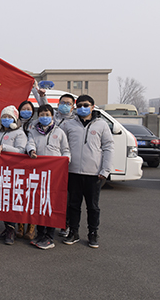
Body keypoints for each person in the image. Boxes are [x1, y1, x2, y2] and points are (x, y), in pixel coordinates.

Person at [60, 95, 114, 249]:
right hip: (73, 171)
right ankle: (74, 232)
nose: (82, 108)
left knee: (93, 206)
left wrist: (105, 169)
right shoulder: (69, 124)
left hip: (94, 173)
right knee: (73, 205)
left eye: (86, 105)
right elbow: (61, 145)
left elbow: (108, 147)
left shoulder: (101, 125)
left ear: (92, 106)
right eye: (80, 105)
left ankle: (93, 233)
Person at [26, 104, 71, 249]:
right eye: (41, 115)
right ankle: (40, 233)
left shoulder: (59, 132)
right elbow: (30, 143)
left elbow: (66, 151)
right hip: (39, 174)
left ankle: (49, 236)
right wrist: (31, 150)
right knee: (39, 204)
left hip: (55, 175)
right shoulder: (33, 131)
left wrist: (65, 162)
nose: (44, 117)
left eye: (47, 114)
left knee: (51, 205)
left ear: (52, 116)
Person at [0, 105, 28, 245]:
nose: (6, 120)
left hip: (13, 171)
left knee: (11, 201)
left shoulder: (19, 133)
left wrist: (5, 148)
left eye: (9, 117)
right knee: (2, 200)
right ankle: (6, 227)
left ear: (15, 119)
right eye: (4, 117)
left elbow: (21, 151)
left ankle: (11, 230)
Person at [15, 100, 38, 240]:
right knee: (19, 196)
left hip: (33, 164)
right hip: (17, 166)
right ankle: (20, 227)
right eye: (23, 109)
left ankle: (31, 228)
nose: (26, 111)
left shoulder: (36, 125)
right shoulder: (14, 123)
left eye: (28, 109)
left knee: (32, 196)